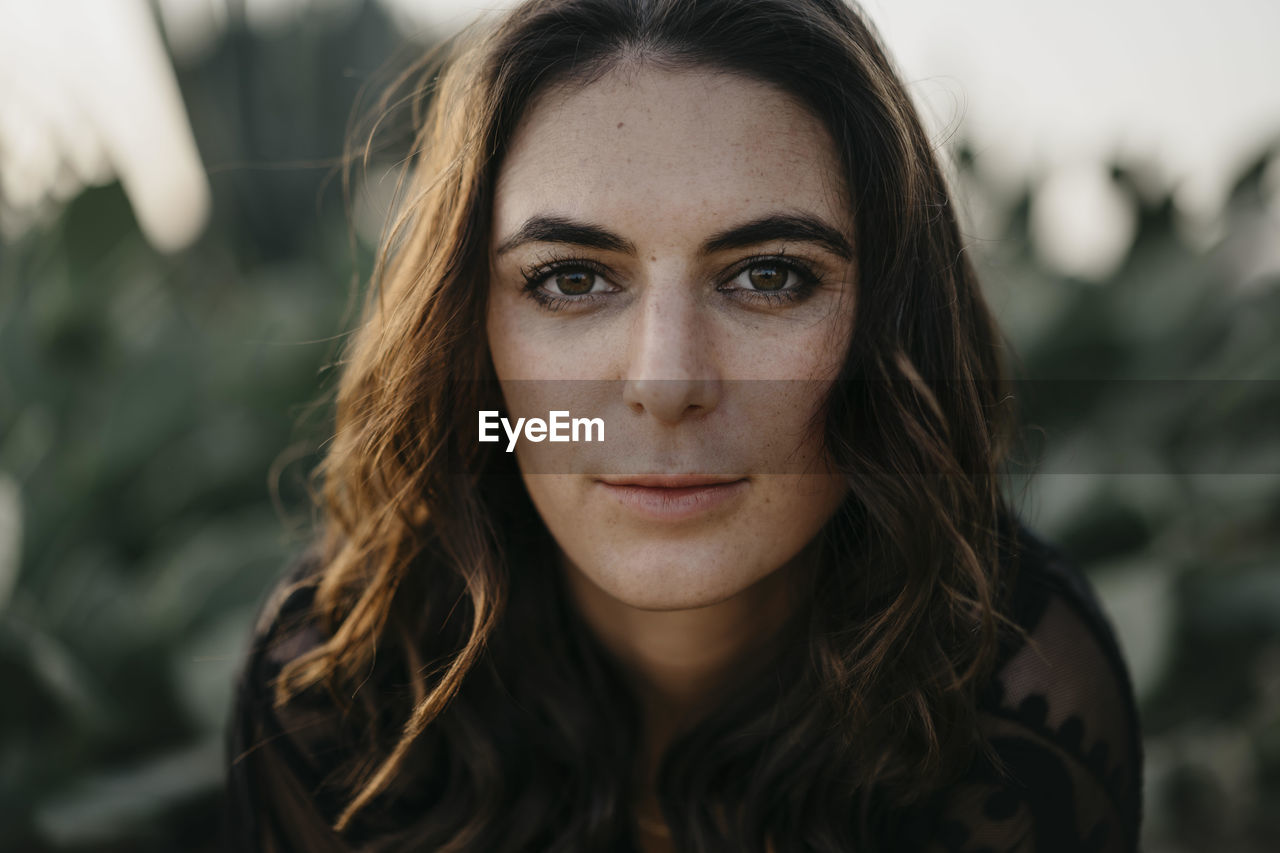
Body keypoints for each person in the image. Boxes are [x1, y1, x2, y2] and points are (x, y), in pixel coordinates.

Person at [224, 0, 1143, 850]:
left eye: (770, 276)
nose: (666, 383)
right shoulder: (335, 695)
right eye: (571, 279)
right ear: (468, 330)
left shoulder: (1020, 703)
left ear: (892, 325)